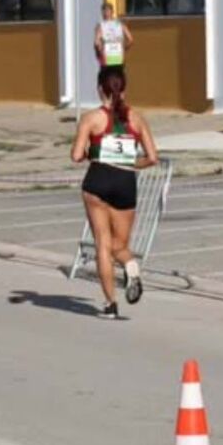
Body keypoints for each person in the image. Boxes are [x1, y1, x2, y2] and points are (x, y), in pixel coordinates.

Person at [71, 67, 158, 319]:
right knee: (120, 246)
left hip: (98, 180)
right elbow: (153, 158)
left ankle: (111, 304)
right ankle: (131, 266)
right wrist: (130, 163)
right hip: (125, 182)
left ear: (100, 89)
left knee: (103, 244)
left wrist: (91, 153)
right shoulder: (137, 119)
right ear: (124, 89)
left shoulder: (91, 118)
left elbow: (76, 155)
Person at [94, 2, 133, 69]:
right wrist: (123, 48)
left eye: (105, 11)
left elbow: (96, 43)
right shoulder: (121, 25)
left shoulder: (100, 26)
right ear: (112, 12)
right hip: (119, 57)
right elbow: (131, 40)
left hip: (106, 58)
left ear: (102, 13)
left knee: (103, 74)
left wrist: (99, 52)